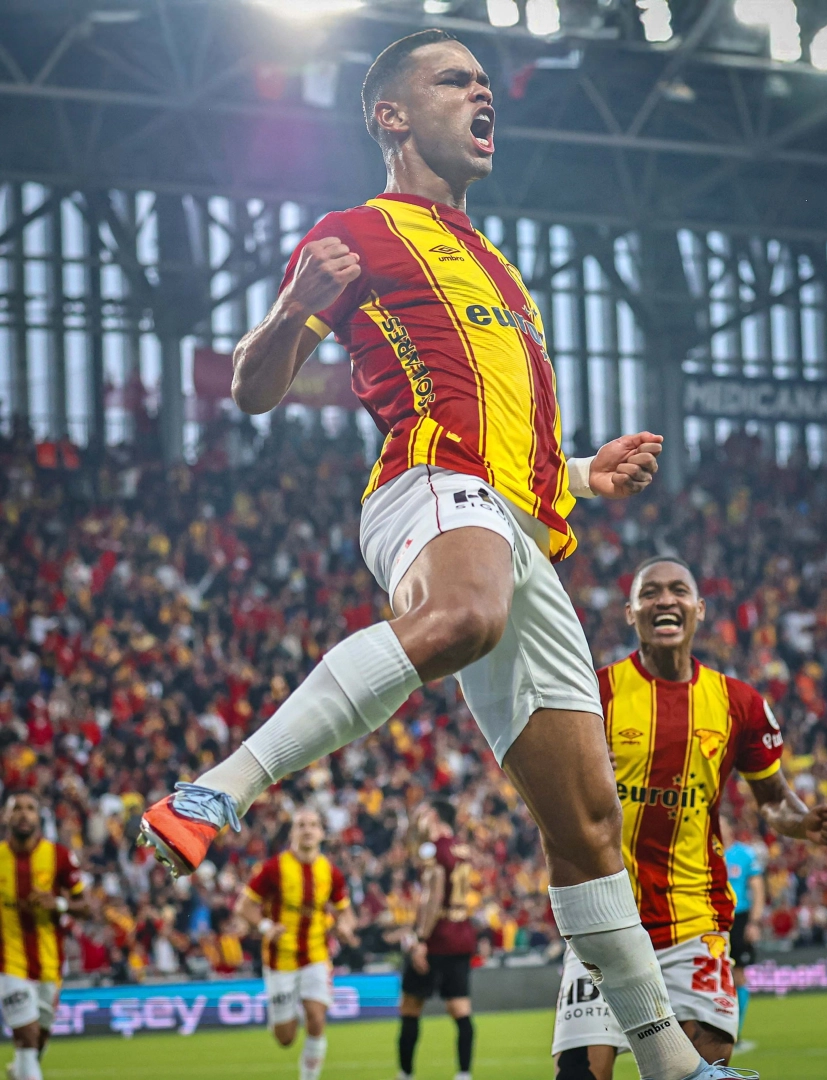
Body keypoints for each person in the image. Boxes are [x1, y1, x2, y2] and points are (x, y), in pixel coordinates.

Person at [139, 28, 747, 1080]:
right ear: (391, 115)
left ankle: (674, 1069)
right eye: (453, 80)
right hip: (424, 483)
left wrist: (584, 473)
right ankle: (216, 790)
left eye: (483, 82)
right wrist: (293, 309)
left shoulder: (503, 272)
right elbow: (251, 389)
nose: (481, 94)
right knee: (463, 614)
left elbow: (517, 450)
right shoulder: (356, 233)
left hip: (517, 528)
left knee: (588, 825)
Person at [551, 556, 827, 1079]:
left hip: (695, 920)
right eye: (650, 592)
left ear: (700, 609)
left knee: (698, 1074)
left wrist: (803, 822)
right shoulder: (594, 694)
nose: (665, 599)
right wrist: (580, 778)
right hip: (603, 915)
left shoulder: (738, 703)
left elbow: (773, 797)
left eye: (678, 590)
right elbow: (551, 793)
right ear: (630, 612)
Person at [234, 807, 357, 1080]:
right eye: (301, 825)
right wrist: (266, 926)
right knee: (285, 1037)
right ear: (292, 833)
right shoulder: (274, 868)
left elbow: (346, 912)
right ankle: (284, 1012)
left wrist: (346, 927)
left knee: (317, 1017)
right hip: (281, 958)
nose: (308, 830)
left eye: (313, 824)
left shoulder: (330, 871)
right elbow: (244, 906)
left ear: (322, 833)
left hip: (316, 954)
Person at [0, 791, 89, 1080]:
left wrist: (58, 903)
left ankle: (19, 1072)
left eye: (30, 808)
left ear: (38, 817)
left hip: (50, 964)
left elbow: (87, 907)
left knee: (37, 1041)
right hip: (9, 963)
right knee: (26, 1037)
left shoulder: (59, 856)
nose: (23, 814)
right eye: (17, 808)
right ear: (5, 817)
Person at [398, 799, 476, 1080]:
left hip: (437, 936)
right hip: (461, 933)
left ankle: (405, 1074)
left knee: (410, 1006)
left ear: (432, 815)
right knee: (460, 1007)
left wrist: (420, 938)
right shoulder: (461, 848)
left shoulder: (435, 850)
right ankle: (464, 1074)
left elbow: (433, 895)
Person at [720, 816, 765, 1048]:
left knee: (738, 975)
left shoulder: (744, 854)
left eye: (722, 824)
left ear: (730, 828)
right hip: (712, 919)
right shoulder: (706, 853)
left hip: (739, 918)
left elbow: (758, 889)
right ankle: (718, 1030)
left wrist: (754, 922)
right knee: (715, 975)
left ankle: (735, 1032)